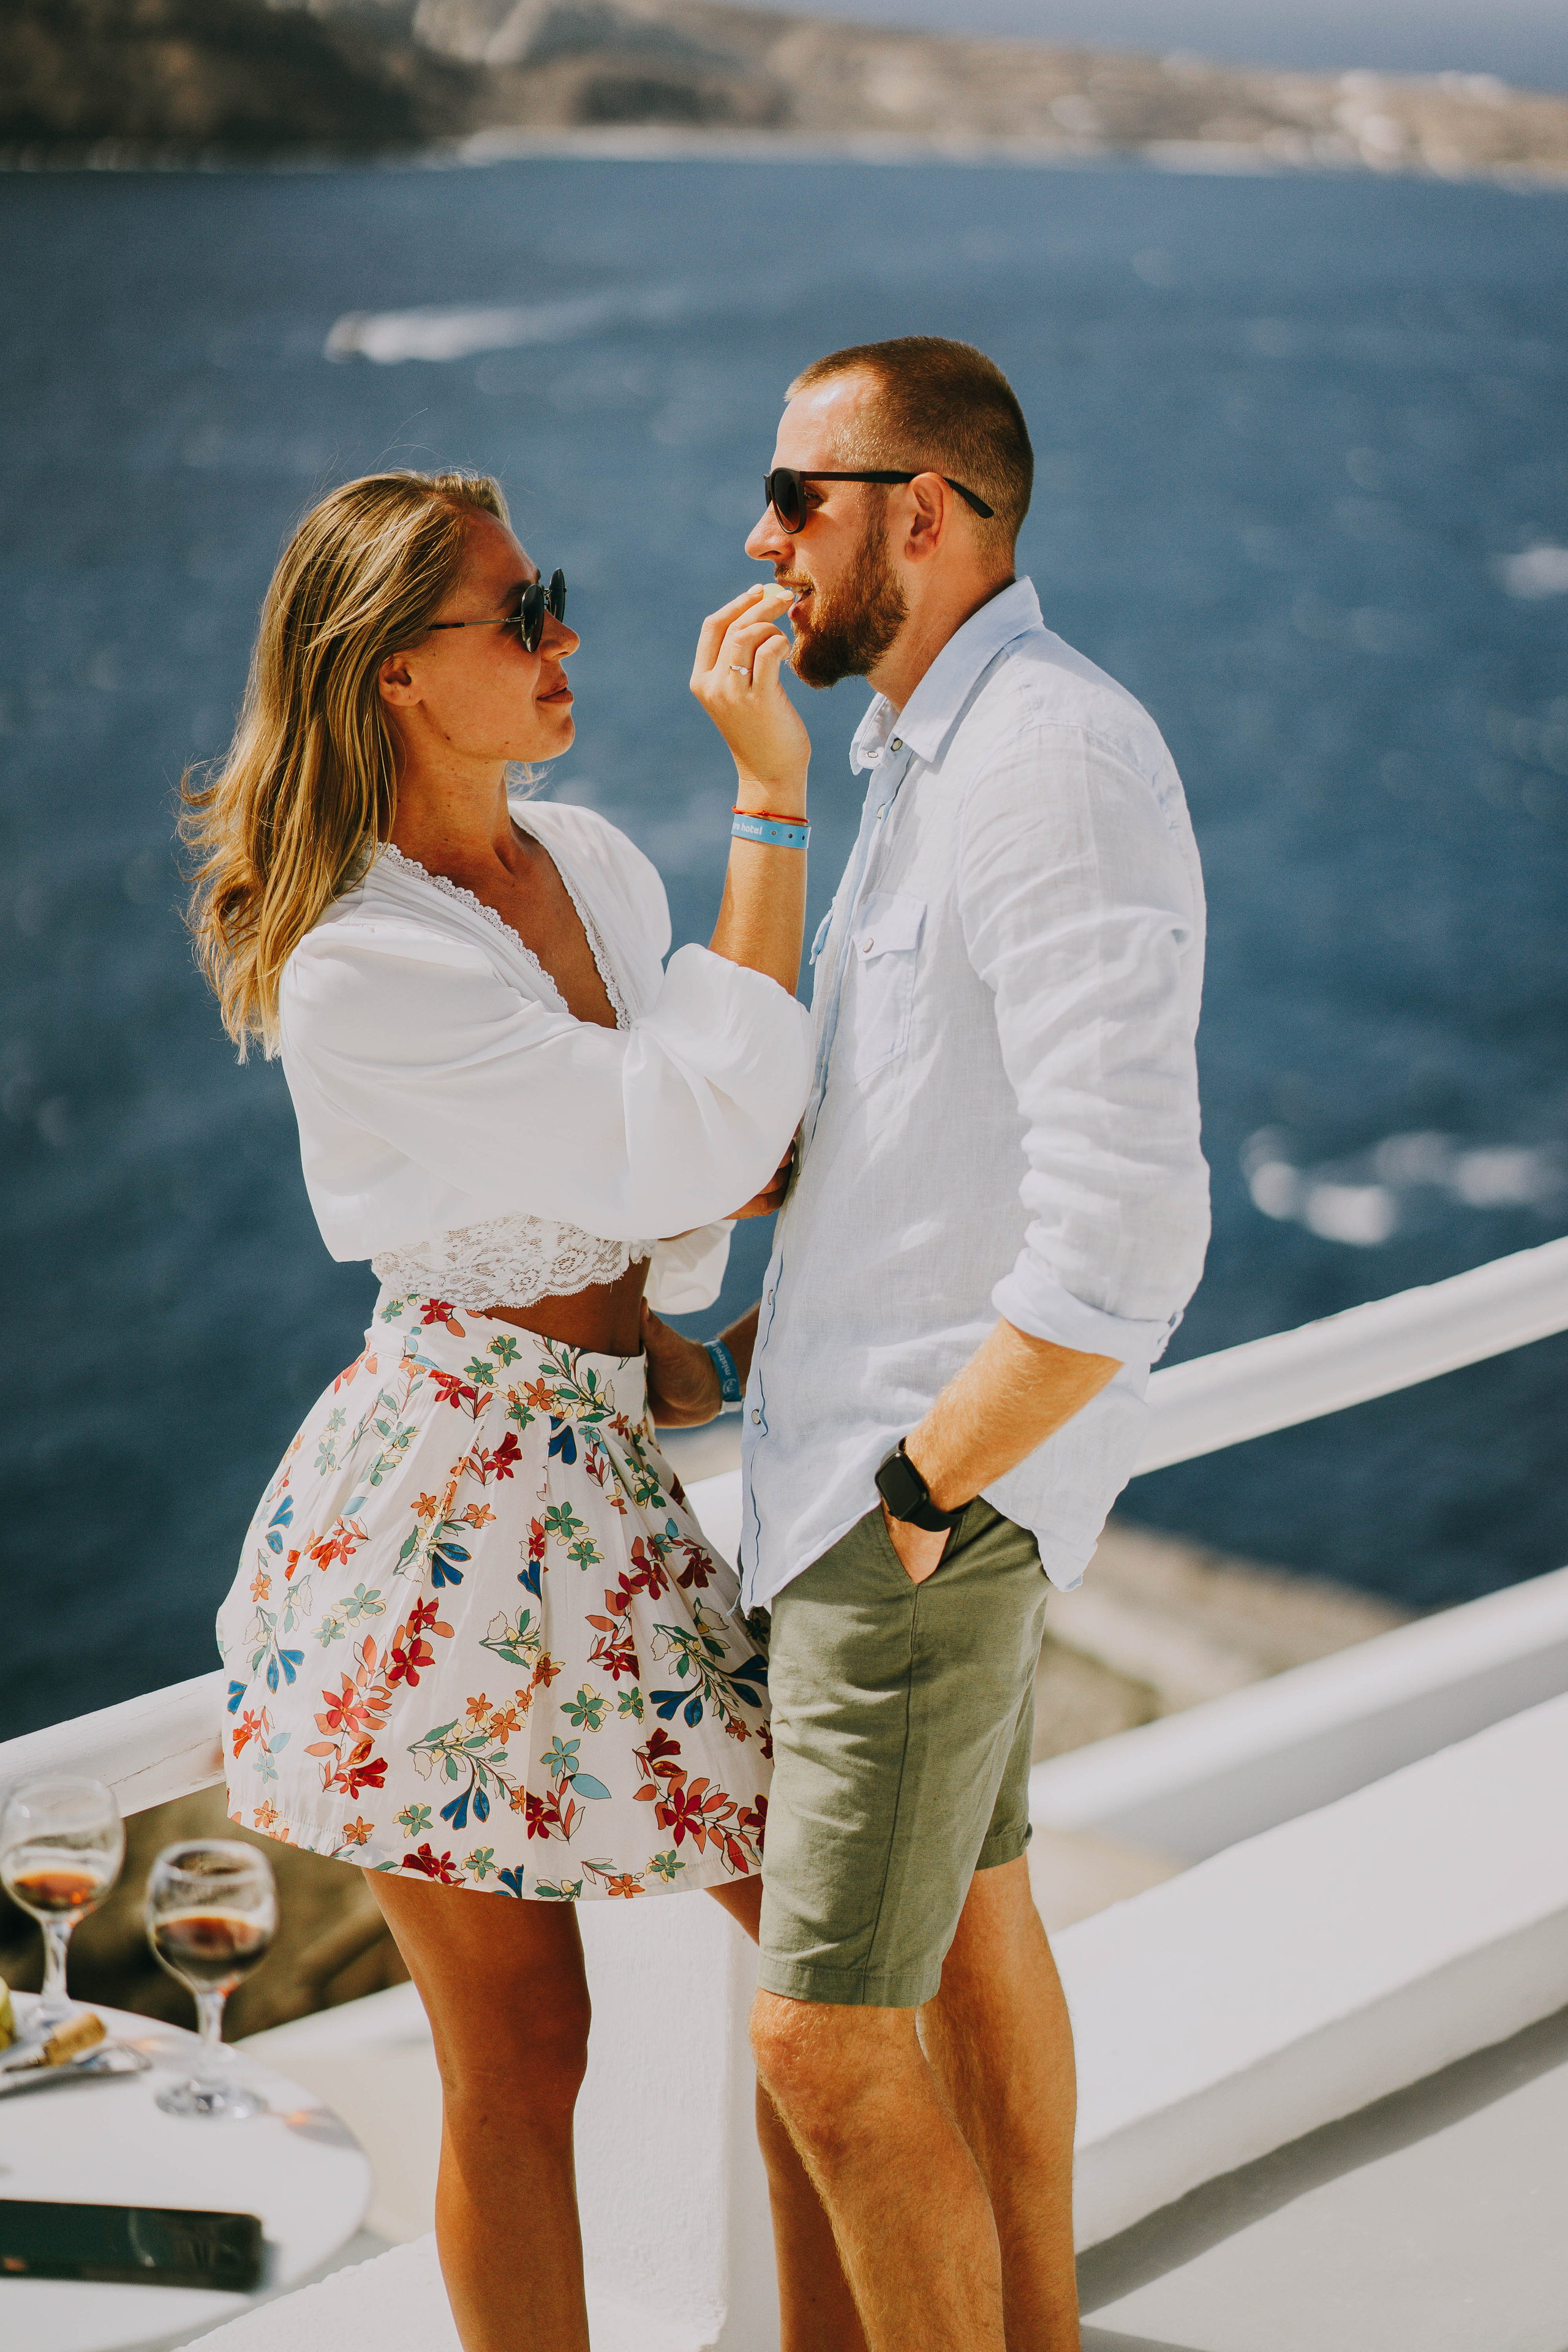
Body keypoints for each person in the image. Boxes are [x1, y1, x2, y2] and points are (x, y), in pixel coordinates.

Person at [185, 469, 858, 2351]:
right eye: (520, 612)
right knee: (520, 2055)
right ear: (397, 674)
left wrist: (670, 1310)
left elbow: (714, 1163)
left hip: (606, 1468)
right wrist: (776, 799)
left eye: (549, 595)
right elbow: (694, 1140)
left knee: (826, 1976)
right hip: (446, 1505)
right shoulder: (359, 960)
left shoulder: (601, 868)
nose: (568, 637)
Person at [644, 338, 1211, 2352]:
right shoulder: (927, 751)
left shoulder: (1044, 754)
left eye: (798, 495)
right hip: (874, 1475)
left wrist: (921, 1484)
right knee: (971, 1961)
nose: (759, 534)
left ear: (928, 514)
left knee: (816, 2034)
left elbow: (1134, 1220)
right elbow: (903, 1132)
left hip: (915, 1502)